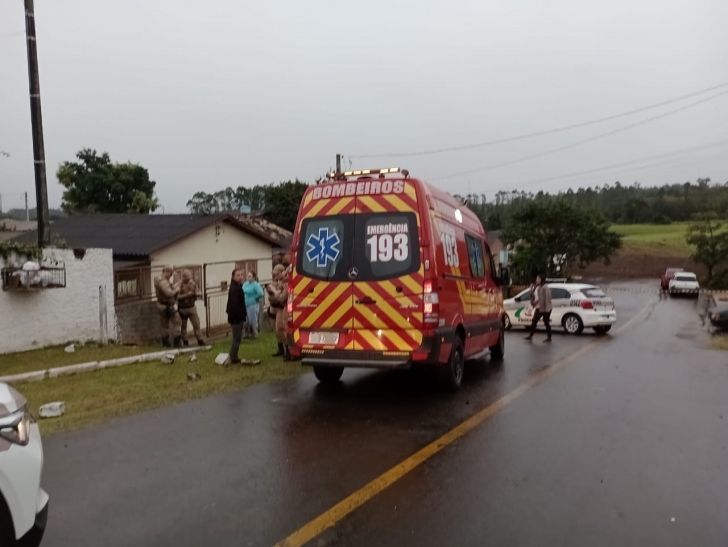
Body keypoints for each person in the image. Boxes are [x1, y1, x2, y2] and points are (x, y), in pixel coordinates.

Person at [154, 266, 182, 348]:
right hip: (168, 305)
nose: (171, 275)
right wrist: (177, 289)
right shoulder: (163, 282)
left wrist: (175, 284)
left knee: (164, 324)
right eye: (170, 273)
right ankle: (177, 343)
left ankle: (165, 342)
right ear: (166, 272)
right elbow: (169, 293)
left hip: (161, 304)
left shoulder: (158, 280)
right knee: (177, 322)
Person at [176, 269, 205, 347]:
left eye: (190, 276)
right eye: (187, 276)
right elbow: (176, 297)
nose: (189, 278)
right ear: (183, 277)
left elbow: (199, 292)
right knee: (183, 326)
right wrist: (187, 295)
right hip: (182, 308)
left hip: (192, 307)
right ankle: (185, 342)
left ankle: (200, 340)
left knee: (197, 324)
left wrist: (196, 293)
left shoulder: (193, 283)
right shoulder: (178, 285)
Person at [267, 264, 289, 359]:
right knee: (275, 330)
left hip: (281, 307)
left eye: (276, 274)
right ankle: (280, 348)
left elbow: (281, 296)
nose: (274, 276)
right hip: (273, 306)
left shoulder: (285, 283)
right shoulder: (276, 281)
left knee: (280, 328)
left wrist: (275, 291)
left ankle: (287, 349)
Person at [226, 268, 247, 364]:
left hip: (237, 316)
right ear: (233, 277)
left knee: (237, 337)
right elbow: (234, 305)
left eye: (241, 275)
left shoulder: (238, 286)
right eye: (238, 275)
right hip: (236, 318)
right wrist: (239, 317)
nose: (240, 277)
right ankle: (233, 357)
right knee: (237, 337)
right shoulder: (234, 289)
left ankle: (233, 355)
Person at [525, 275, 552, 343]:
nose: (537, 280)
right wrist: (531, 288)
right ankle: (530, 335)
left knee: (546, 322)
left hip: (545, 308)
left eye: (538, 279)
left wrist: (546, 308)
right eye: (537, 279)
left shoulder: (545, 287)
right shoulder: (537, 287)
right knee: (534, 321)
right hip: (539, 307)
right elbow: (533, 296)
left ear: (541, 279)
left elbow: (546, 298)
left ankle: (549, 337)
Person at [243, 271, 265, 339]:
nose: (248, 277)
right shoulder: (245, 284)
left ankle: (254, 333)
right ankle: (247, 333)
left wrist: (255, 298)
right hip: (245, 304)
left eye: (250, 276)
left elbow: (261, 293)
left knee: (252, 320)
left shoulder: (255, 285)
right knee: (246, 320)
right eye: (247, 276)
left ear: (254, 277)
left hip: (252, 304)